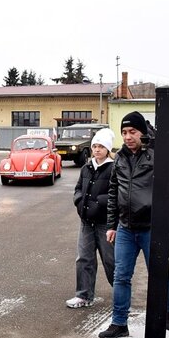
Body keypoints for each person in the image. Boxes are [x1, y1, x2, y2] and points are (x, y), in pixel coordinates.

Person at [98, 111, 169, 338]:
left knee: (158, 274)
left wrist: (160, 205)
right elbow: (113, 191)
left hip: (152, 227)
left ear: (143, 132)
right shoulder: (120, 157)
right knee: (121, 276)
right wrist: (111, 225)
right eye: (124, 132)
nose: (128, 137)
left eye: (132, 132)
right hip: (125, 228)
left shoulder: (158, 153)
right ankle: (119, 323)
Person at [66, 128, 116, 308]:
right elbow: (78, 188)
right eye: (95, 146)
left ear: (107, 149)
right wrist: (79, 201)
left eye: (101, 146)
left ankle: (121, 294)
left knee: (111, 261)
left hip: (105, 224)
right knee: (84, 259)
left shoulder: (114, 168)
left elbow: (118, 194)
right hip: (86, 222)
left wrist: (98, 202)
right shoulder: (86, 167)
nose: (97, 150)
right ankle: (84, 295)